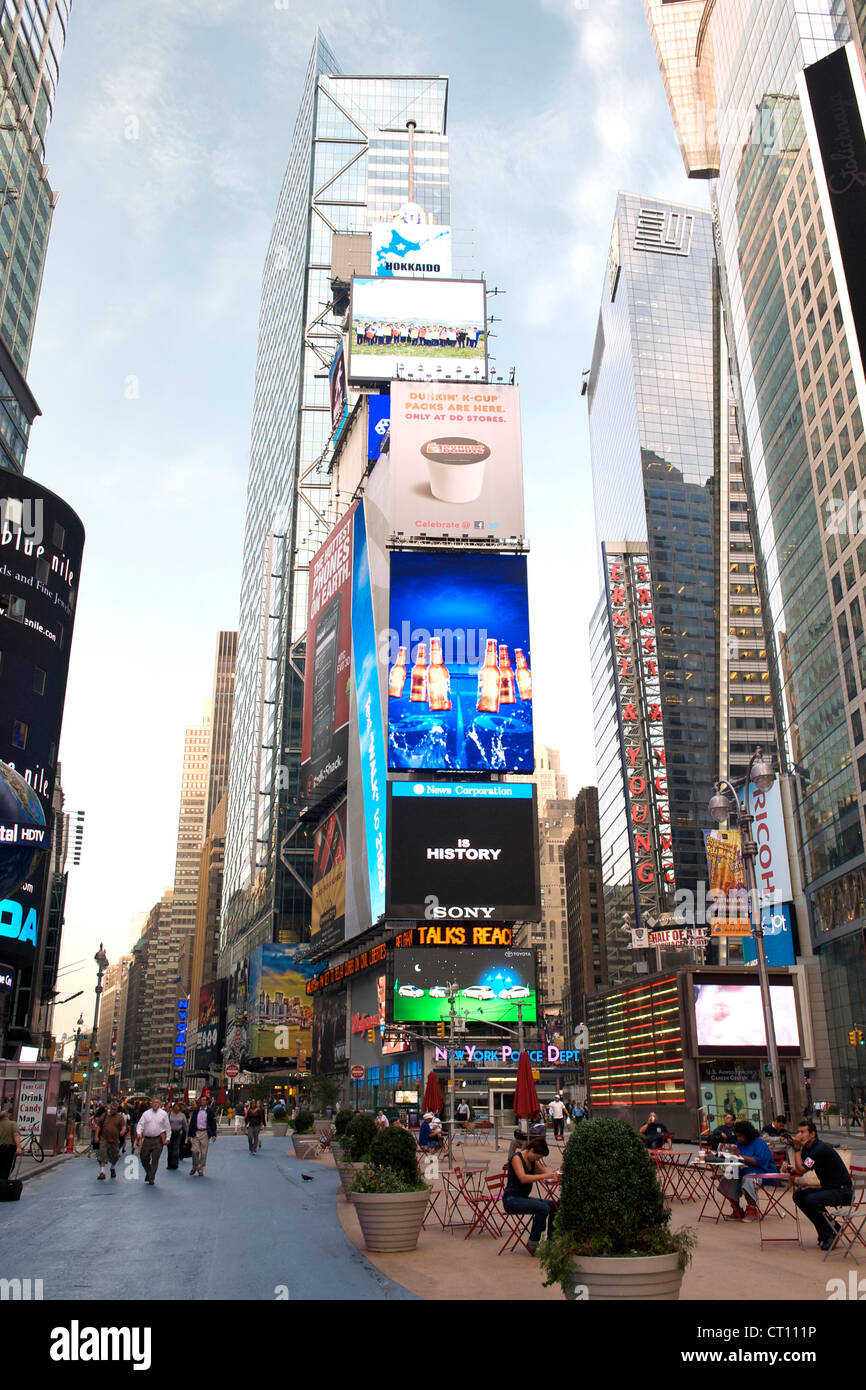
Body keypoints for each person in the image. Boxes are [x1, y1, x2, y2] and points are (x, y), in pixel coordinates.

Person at [791, 1119, 853, 1249]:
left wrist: (796, 1148)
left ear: (812, 1134)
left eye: (803, 1132)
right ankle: (831, 1227)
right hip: (829, 1190)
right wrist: (790, 1169)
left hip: (842, 1192)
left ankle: (829, 1233)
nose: (799, 1135)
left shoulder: (819, 1149)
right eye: (798, 1132)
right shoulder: (807, 1149)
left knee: (811, 1199)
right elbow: (800, 1170)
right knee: (799, 1196)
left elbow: (801, 1169)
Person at [502, 1123, 558, 1255]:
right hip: (512, 1199)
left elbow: (545, 1175)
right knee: (543, 1208)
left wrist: (556, 1175)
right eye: (538, 1157)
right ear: (531, 1150)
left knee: (555, 1205)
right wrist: (546, 1175)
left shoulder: (532, 1161)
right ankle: (533, 1243)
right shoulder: (517, 1158)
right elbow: (523, 1178)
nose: (538, 1160)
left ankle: (552, 1240)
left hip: (523, 1198)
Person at [718, 1120, 777, 1220]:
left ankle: (752, 1209)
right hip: (743, 1171)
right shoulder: (739, 1143)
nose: (739, 1138)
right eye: (737, 1136)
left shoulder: (759, 1143)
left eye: (741, 1136)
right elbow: (737, 1159)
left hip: (762, 1172)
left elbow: (759, 1161)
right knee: (727, 1178)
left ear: (748, 1134)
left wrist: (740, 1156)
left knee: (748, 1179)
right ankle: (736, 1209)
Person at [135, 1097, 171, 1185]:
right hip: (147, 1139)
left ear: (159, 1104)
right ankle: (149, 1171)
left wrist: (168, 1138)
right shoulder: (146, 1114)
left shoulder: (163, 1114)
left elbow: (167, 1127)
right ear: (151, 1104)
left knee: (155, 1159)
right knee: (143, 1157)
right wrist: (139, 1132)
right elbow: (140, 1124)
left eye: (157, 1102)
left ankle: (151, 1177)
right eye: (154, 1102)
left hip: (158, 1139)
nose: (155, 1104)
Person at [96, 1101, 127, 1180]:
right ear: (110, 1108)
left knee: (115, 1157)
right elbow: (99, 1126)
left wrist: (123, 1131)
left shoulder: (120, 1117)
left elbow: (123, 1126)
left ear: (117, 1109)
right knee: (102, 1155)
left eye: (115, 1109)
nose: (113, 1110)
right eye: (112, 1109)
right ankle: (102, 1172)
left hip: (114, 1140)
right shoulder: (104, 1116)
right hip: (104, 1139)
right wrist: (96, 1136)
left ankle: (112, 1168)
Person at [189, 1093, 217, 1176]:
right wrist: (189, 1135)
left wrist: (213, 1134)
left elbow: (213, 1123)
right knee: (194, 1150)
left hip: (205, 1132)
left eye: (204, 1100)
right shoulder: (196, 1110)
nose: (203, 1101)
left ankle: (200, 1168)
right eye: (201, 1100)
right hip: (196, 1132)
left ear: (207, 1101)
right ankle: (195, 1166)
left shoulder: (210, 1111)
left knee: (204, 1152)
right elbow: (192, 1122)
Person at [0, 1107, 22, 1180]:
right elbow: (16, 1135)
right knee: (8, 1167)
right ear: (7, 1116)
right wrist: (18, 1147)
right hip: (9, 1149)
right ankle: (3, 1183)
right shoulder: (13, 1124)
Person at [166, 1102, 188, 1171]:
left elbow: (185, 1126)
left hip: (178, 1133)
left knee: (176, 1149)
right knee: (169, 1149)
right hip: (170, 1133)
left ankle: (175, 1164)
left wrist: (188, 1135)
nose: (176, 1108)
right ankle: (169, 1164)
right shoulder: (169, 1114)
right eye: (175, 1107)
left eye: (178, 1107)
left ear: (180, 1108)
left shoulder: (182, 1115)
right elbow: (165, 1124)